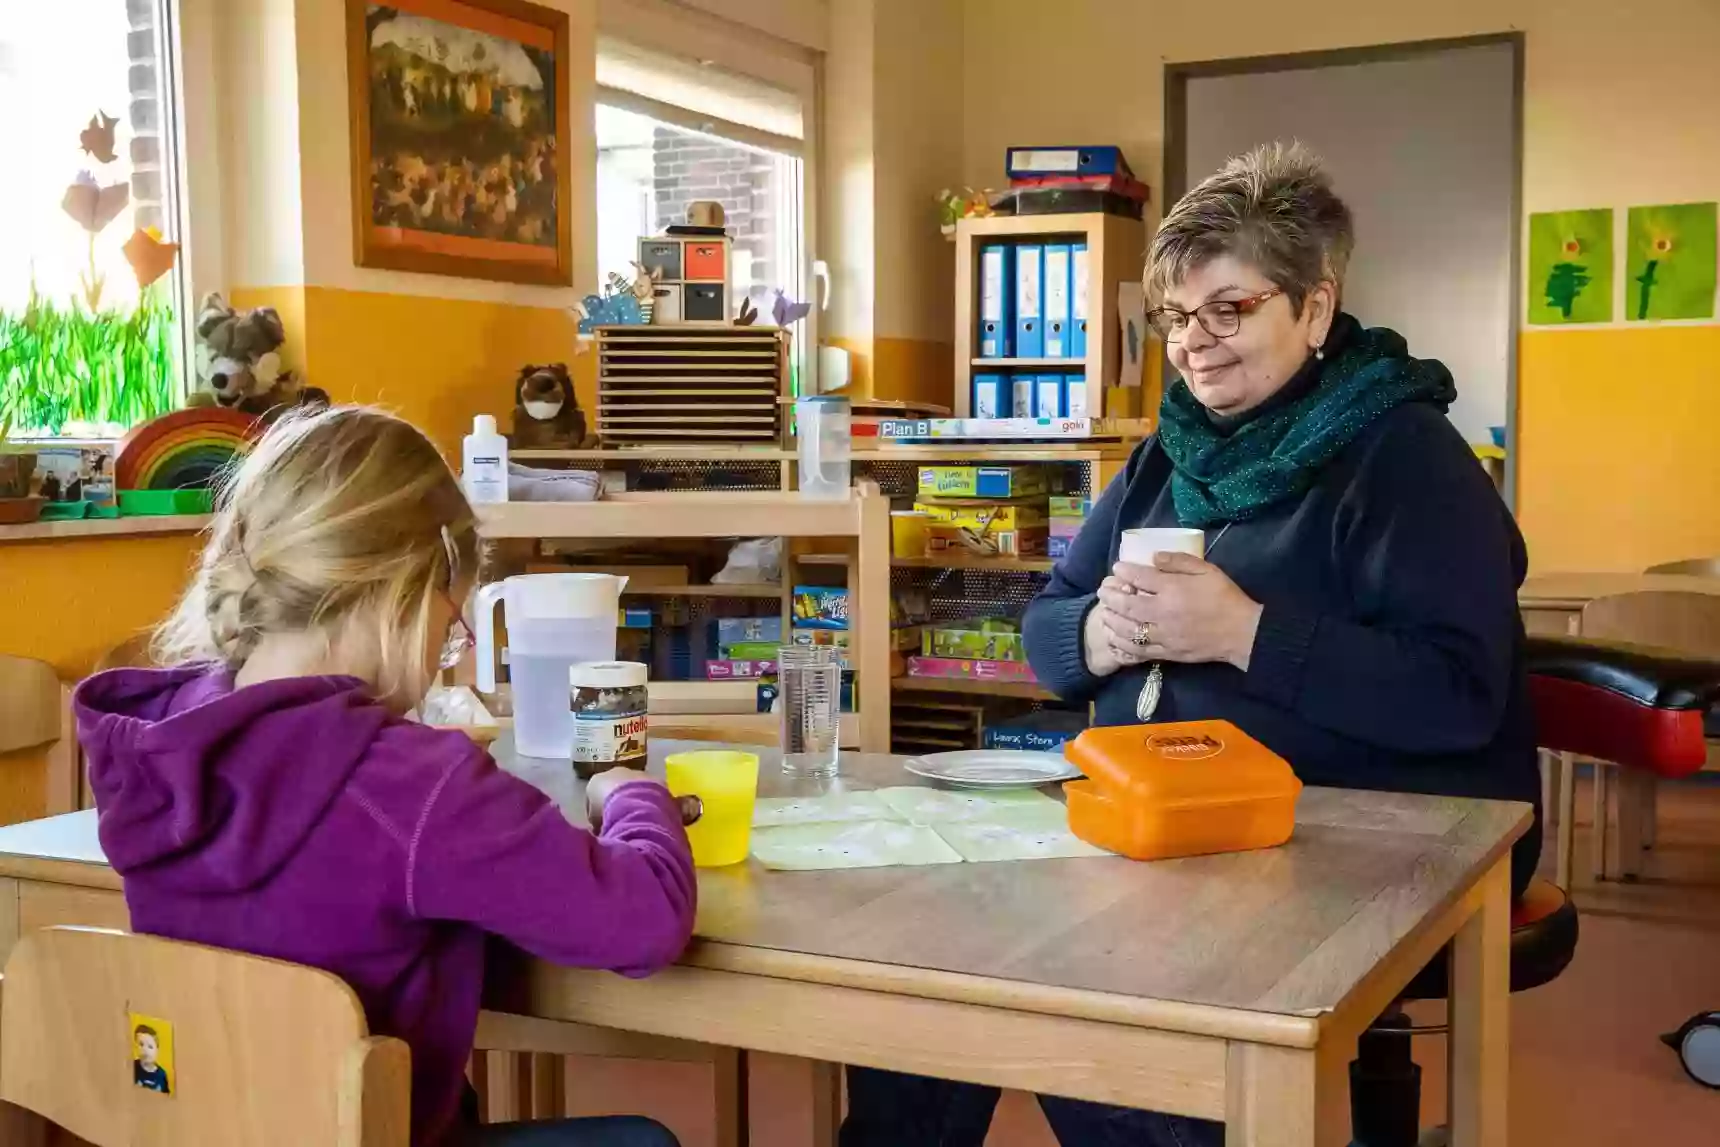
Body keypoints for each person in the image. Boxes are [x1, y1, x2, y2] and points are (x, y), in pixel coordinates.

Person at [841, 143, 1540, 1147]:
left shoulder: (1404, 457)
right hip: (1161, 821)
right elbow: (1047, 634)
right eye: (1174, 316)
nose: (1192, 344)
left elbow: (1457, 694)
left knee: (1103, 1032)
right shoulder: (1169, 453)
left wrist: (1247, 633)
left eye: (1229, 309)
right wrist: (1100, 630)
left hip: (1357, 827)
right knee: (918, 974)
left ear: (1313, 306)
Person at [76, 406, 695, 1147]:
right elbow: (646, 919)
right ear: (404, 591)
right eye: (451, 620)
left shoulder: (154, 752)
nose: (449, 645)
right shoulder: (419, 787)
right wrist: (629, 791)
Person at [133, 1025, 169, 1093]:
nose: (145, 1050)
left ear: (157, 1050)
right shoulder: (132, 1067)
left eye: (150, 1047)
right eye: (141, 1044)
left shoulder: (162, 1075)